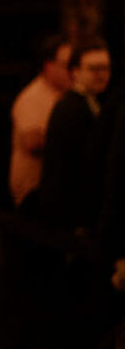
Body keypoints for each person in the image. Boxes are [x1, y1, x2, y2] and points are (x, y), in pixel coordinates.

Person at [36, 37, 112, 232]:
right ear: (75, 72)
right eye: (93, 69)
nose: (101, 74)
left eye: (105, 68)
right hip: (68, 213)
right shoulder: (72, 109)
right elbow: (80, 169)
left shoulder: (89, 103)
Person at [8, 36, 71, 212]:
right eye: (66, 64)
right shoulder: (34, 97)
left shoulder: (64, 96)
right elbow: (32, 142)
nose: (72, 71)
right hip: (34, 191)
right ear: (48, 66)